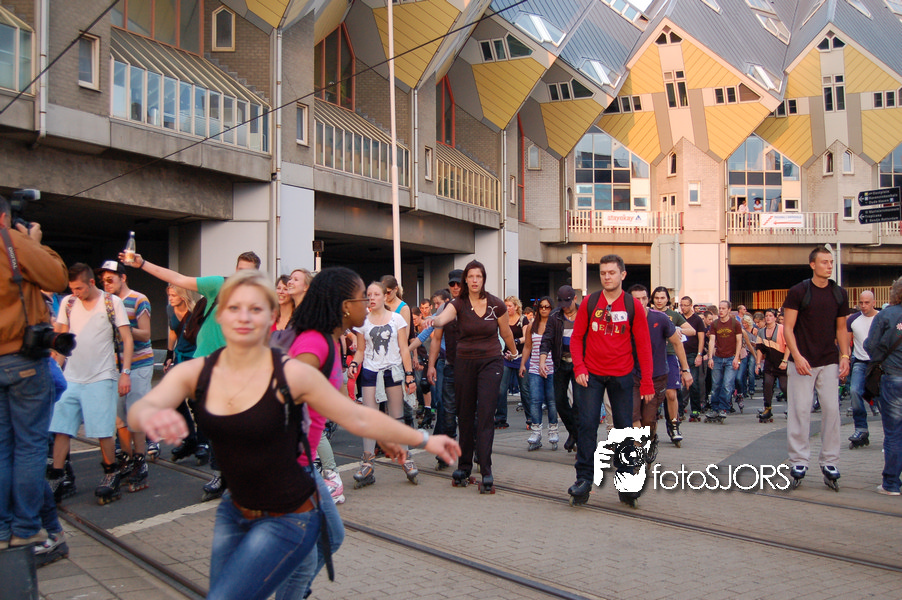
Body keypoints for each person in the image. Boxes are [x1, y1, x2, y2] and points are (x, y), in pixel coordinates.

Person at [128, 270, 460, 600]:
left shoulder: (291, 373)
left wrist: (426, 440)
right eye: (234, 307)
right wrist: (151, 414)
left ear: (271, 316)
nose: (244, 317)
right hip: (234, 509)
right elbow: (141, 408)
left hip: (287, 515)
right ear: (219, 315)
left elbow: (356, 415)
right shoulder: (196, 372)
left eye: (256, 308)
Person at [121, 250, 261, 500]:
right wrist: (142, 264)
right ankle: (221, 473)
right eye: (240, 271)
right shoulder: (218, 285)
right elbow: (178, 278)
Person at [276, 266, 368, 599]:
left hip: (302, 464)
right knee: (306, 554)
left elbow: (336, 403)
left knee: (330, 537)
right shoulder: (314, 343)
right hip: (288, 465)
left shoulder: (328, 340)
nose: (367, 304)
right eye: (362, 298)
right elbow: (280, 394)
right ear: (345, 306)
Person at [0, 196, 68, 549]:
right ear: (4, 218)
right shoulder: (11, 241)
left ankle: (1, 530)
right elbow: (57, 278)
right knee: (29, 447)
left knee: (1, 449)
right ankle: (26, 529)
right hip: (22, 359)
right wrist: (33, 241)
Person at [567, 255, 654, 508]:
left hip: (622, 374)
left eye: (612, 272)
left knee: (624, 429)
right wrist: (579, 367)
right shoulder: (590, 302)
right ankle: (584, 480)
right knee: (587, 425)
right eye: (603, 273)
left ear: (622, 275)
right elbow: (576, 338)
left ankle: (626, 483)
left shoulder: (632, 306)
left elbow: (644, 346)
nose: (607, 277)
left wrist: (647, 382)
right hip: (591, 374)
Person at [427, 260, 518, 493]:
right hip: (464, 362)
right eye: (471, 276)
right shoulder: (458, 304)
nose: (475, 280)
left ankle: (486, 470)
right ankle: (464, 467)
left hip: (491, 362)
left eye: (479, 276)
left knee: (485, 415)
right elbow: (443, 318)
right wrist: (433, 320)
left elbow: (506, 332)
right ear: (466, 280)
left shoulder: (496, 304)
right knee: (465, 415)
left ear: (483, 279)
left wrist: (514, 352)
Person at [49, 264, 134, 504]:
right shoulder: (68, 303)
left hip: (101, 375)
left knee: (102, 429)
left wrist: (125, 372)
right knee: (61, 427)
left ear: (91, 283)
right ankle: (57, 476)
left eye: (79, 288)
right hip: (71, 377)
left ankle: (111, 472)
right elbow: (61, 340)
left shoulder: (111, 303)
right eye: (72, 288)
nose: (75, 292)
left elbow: (127, 339)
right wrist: (55, 370)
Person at [782, 246, 850, 490]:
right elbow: (788, 328)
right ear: (812, 265)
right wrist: (797, 357)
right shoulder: (799, 291)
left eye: (831, 262)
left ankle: (830, 461)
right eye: (824, 262)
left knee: (832, 410)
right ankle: (799, 461)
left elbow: (841, 329)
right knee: (800, 411)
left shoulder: (839, 293)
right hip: (802, 361)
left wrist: (845, 355)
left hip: (829, 359)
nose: (829, 266)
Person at [348, 280, 418, 486]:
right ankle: (367, 463)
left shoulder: (396, 319)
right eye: (369, 295)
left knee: (397, 417)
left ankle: (406, 458)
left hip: (392, 371)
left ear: (384, 296)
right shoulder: (363, 321)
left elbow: (404, 349)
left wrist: (409, 375)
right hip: (371, 372)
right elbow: (361, 350)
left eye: (376, 294)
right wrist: (354, 364)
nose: (372, 298)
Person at [99, 260, 154, 491]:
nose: (106, 284)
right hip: (114, 364)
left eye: (110, 279)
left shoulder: (138, 299)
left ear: (123, 278)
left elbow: (146, 334)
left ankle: (140, 461)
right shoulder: (104, 302)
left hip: (139, 363)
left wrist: (124, 327)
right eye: (103, 281)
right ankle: (127, 457)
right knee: (119, 417)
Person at [628, 285, 692, 455]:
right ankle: (639, 451)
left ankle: (650, 440)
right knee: (633, 415)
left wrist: (686, 370)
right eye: (636, 299)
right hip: (632, 375)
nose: (641, 302)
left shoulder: (661, 318)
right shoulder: (624, 319)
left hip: (656, 375)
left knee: (648, 419)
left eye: (643, 298)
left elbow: (677, 343)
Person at [864, 277, 902, 495]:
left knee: (894, 432)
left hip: (893, 376)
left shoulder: (886, 315)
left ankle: (891, 483)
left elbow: (872, 346)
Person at [164, 284, 209, 464]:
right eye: (169, 295)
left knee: (197, 401)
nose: (170, 299)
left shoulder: (194, 312)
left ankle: (203, 442)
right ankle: (189, 438)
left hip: (194, 357)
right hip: (180, 357)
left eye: (173, 295)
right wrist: (169, 354)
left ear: (183, 296)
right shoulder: (170, 310)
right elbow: (173, 331)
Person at [538, 285, 583, 452]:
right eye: (562, 303)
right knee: (559, 401)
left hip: (579, 363)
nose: (565, 307)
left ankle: (578, 438)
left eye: (568, 303)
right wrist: (542, 361)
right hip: (560, 362)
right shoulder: (555, 316)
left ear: (575, 299)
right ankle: (574, 433)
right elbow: (547, 339)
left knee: (579, 403)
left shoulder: (584, 314)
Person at [650, 287, 694, 436]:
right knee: (652, 395)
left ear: (667, 299)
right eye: (657, 298)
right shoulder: (648, 313)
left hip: (669, 355)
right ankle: (651, 427)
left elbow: (692, 330)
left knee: (671, 393)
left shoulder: (673, 315)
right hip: (653, 356)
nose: (659, 301)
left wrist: (676, 329)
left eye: (662, 298)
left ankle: (674, 424)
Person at [520, 296, 557, 450]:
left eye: (547, 307)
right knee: (535, 400)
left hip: (552, 368)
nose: (543, 309)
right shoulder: (532, 326)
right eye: (541, 306)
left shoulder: (555, 325)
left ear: (551, 308)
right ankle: (536, 432)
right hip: (535, 367)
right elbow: (527, 346)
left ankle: (553, 430)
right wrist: (523, 364)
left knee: (552, 401)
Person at [847, 291, 879, 449]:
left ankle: (891, 432)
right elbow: (846, 343)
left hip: (878, 363)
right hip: (859, 361)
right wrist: (845, 359)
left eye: (867, 302)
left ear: (874, 303)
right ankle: (861, 428)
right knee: (854, 391)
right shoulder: (853, 319)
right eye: (861, 302)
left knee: (882, 397)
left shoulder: (881, 318)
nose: (863, 306)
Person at [705, 301, 742, 422]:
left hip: (731, 357)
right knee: (715, 385)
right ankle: (715, 408)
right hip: (718, 357)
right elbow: (712, 340)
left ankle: (723, 408)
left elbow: (739, 341)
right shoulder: (715, 324)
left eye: (723, 308)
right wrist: (710, 357)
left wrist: (736, 357)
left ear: (729, 310)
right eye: (720, 308)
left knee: (727, 384)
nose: (721, 311)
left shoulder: (735, 323)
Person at [496, 296, 528, 429]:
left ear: (516, 307)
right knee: (501, 389)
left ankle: (531, 419)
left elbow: (526, 337)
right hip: (506, 357)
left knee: (525, 389)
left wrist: (515, 341)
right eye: (506, 306)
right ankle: (500, 418)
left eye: (510, 306)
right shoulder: (502, 319)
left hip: (520, 356)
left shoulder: (523, 319)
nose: (507, 308)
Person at [755, 308, 789, 422]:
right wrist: (758, 363)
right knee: (767, 385)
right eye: (766, 316)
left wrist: (785, 361)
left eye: (770, 316)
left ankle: (792, 407)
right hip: (769, 363)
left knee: (784, 387)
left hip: (781, 361)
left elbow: (788, 345)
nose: (768, 318)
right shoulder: (761, 331)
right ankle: (767, 409)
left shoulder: (782, 329)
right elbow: (759, 348)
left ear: (775, 318)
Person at [678, 296, 706, 421]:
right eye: (681, 305)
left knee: (693, 382)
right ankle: (679, 410)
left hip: (692, 354)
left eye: (685, 305)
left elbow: (701, 338)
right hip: (679, 354)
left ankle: (695, 409)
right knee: (679, 384)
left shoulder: (697, 320)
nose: (683, 308)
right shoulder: (679, 318)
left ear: (691, 306)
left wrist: (699, 354)